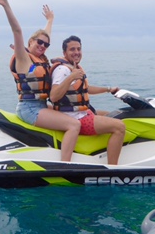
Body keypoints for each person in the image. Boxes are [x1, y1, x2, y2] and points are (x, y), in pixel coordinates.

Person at [0, 0, 81, 162]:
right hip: (30, 108)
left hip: (41, 104)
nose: (43, 46)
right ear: (29, 42)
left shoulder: (39, 57)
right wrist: (6, 5)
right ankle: (65, 164)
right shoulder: (23, 58)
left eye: (46, 44)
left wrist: (50, 20)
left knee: (75, 112)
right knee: (73, 124)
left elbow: (45, 36)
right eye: (39, 42)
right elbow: (17, 30)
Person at [49, 35, 126, 165]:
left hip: (82, 112)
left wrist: (108, 89)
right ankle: (113, 167)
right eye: (72, 49)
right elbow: (54, 96)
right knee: (120, 127)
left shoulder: (74, 67)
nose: (76, 52)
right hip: (75, 117)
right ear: (64, 53)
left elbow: (85, 89)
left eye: (78, 49)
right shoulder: (63, 70)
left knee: (114, 114)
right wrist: (71, 76)